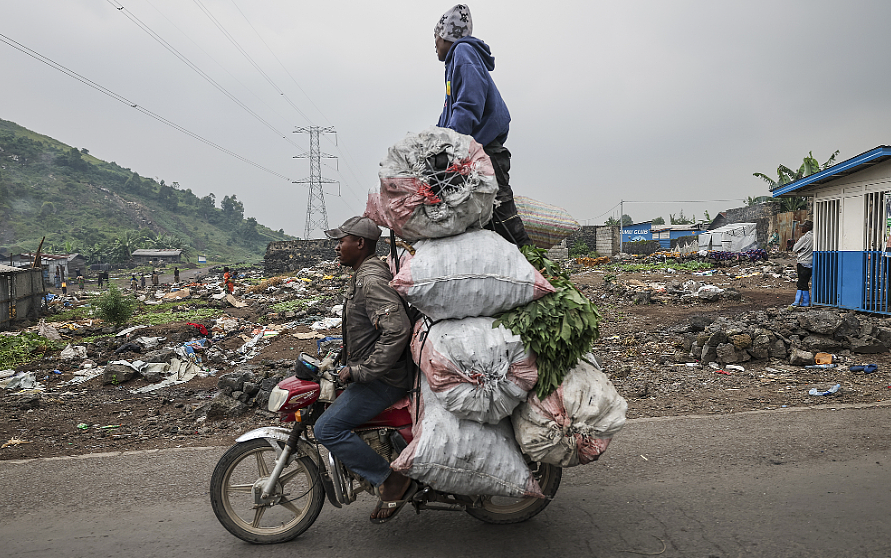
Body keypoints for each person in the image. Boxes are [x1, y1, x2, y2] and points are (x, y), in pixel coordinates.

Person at [313, 216, 416, 524]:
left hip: (384, 378)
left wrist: (361, 371)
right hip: (376, 372)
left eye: (341, 240)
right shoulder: (363, 275)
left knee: (326, 429)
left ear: (360, 243)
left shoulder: (370, 280)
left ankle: (390, 479)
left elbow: (397, 330)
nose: (336, 247)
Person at [433, 4, 532, 247]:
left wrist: (448, 147)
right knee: (483, 224)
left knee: (503, 220)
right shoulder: (456, 60)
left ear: (448, 35)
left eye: (436, 35)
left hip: (486, 153)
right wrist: (433, 142)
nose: (434, 41)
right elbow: (450, 113)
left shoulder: (463, 52)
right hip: (477, 152)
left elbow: (468, 105)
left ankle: (537, 272)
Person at [792, 220, 813, 307]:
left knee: (801, 283)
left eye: (803, 227)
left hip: (803, 262)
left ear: (807, 228)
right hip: (811, 262)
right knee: (805, 282)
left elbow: (794, 249)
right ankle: (803, 301)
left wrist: (800, 250)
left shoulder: (805, 237)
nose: (801, 228)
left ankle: (801, 301)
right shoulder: (816, 237)